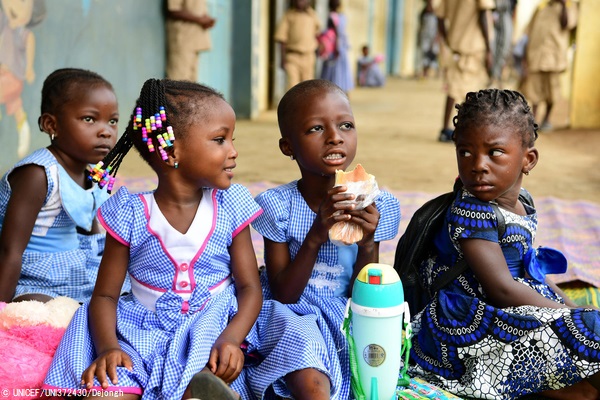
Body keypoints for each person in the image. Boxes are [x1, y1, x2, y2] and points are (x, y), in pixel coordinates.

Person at [42, 78, 332, 400]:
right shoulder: (130, 213)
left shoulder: (231, 205)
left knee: (286, 348)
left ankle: (200, 388)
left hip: (217, 325)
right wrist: (108, 347)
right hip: (144, 330)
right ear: (170, 150)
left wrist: (232, 339)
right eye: (220, 140)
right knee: (106, 389)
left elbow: (250, 287)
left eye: (231, 140)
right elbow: (105, 297)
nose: (234, 152)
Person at [409, 88, 600, 399]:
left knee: (587, 322)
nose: (477, 164)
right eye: (465, 152)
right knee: (589, 328)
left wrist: (570, 306)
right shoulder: (471, 211)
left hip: (507, 308)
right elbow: (501, 288)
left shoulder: (521, 200)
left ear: (528, 159)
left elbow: (531, 267)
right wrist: (567, 317)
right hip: (469, 327)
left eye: (494, 152)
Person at [251, 79, 401, 399]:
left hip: (345, 311)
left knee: (374, 362)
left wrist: (367, 242)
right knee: (306, 359)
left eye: (345, 125)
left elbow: (359, 291)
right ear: (287, 147)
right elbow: (284, 294)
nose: (335, 137)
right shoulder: (279, 206)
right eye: (316, 129)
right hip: (293, 314)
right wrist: (316, 235)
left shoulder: (378, 204)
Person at [0, 68, 118, 304]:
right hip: (35, 277)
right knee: (35, 307)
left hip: (74, 272)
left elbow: (94, 240)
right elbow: (9, 252)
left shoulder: (95, 175)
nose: (105, 131)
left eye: (112, 121)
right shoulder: (38, 174)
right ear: (51, 124)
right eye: (89, 119)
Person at [435, 0, 495, 142]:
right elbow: (484, 15)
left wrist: (448, 40)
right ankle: (464, 131)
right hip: (473, 47)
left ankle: (446, 129)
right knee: (469, 91)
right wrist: (489, 49)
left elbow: (439, 17)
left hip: (455, 47)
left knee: (453, 88)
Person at [521, 0, 578, 132]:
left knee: (552, 91)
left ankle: (546, 119)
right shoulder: (541, 7)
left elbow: (566, 24)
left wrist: (564, 5)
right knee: (535, 90)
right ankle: (533, 119)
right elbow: (528, 32)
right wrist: (524, 56)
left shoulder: (570, 6)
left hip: (554, 56)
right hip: (536, 54)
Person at [274, 0, 321, 90]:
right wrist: (283, 59)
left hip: (308, 56)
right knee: (293, 86)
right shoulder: (288, 16)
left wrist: (320, 45)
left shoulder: (313, 15)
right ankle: (292, 104)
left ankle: (306, 104)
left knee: (308, 87)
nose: (300, 2)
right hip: (292, 56)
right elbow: (281, 39)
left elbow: (317, 34)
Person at [165, 0, 215, 81]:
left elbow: (197, 10)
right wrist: (199, 19)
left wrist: (206, 20)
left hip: (195, 40)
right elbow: (173, 10)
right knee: (178, 82)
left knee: (191, 84)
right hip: (183, 39)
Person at [319, 0, 354, 95]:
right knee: (334, 69)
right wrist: (337, 47)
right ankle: (333, 91)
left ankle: (340, 90)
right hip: (335, 47)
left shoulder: (339, 15)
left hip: (340, 47)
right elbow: (336, 32)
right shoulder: (332, 16)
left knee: (339, 69)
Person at [489, 0, 517, 88]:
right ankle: (492, 77)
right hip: (494, 17)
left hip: (504, 17)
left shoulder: (507, 17)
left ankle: (497, 77)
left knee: (503, 49)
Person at [416, 0, 440, 79]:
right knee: (424, 54)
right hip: (425, 37)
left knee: (434, 55)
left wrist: (437, 38)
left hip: (434, 37)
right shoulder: (423, 13)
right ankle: (425, 73)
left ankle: (436, 73)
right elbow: (421, 26)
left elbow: (439, 27)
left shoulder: (437, 13)